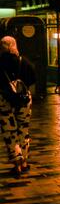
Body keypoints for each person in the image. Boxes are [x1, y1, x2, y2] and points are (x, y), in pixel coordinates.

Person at [0, 36, 35, 178]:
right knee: (23, 130)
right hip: (24, 100)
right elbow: (32, 79)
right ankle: (25, 162)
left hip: (4, 100)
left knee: (10, 132)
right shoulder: (24, 61)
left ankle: (17, 165)